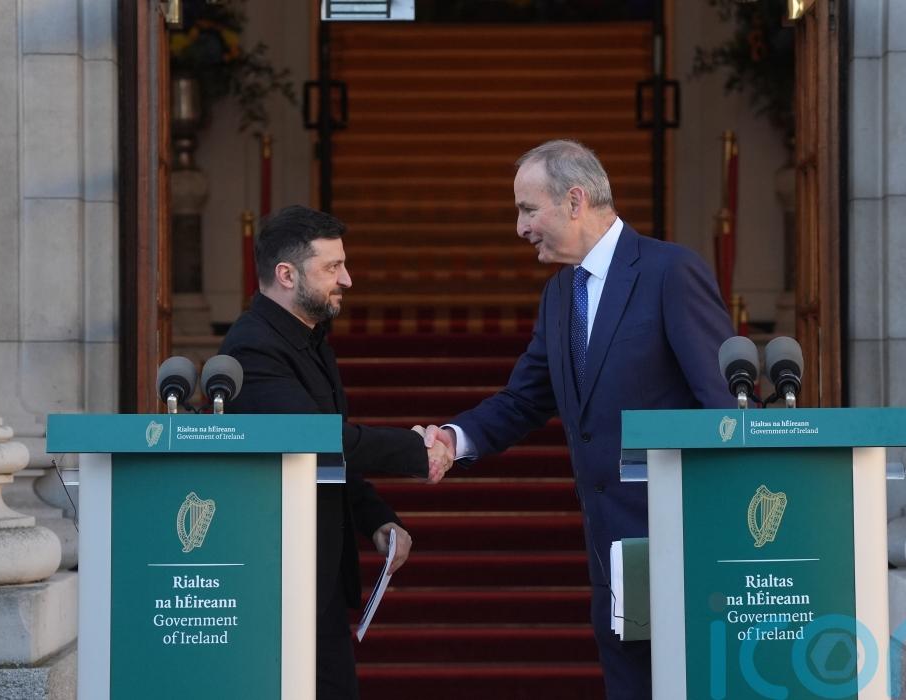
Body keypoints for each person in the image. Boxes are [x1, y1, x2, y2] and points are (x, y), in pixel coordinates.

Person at [424, 140, 735, 699]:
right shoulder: (560, 293)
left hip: (686, 554)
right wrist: (453, 438)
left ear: (574, 201)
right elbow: (524, 400)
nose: (520, 228)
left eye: (527, 209)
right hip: (611, 558)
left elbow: (723, 408)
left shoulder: (670, 271)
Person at [220, 205, 451, 700]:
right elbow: (317, 439)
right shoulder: (252, 349)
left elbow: (327, 455)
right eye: (332, 267)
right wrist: (417, 449)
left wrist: (377, 519)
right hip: (277, 581)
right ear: (287, 275)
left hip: (315, 579)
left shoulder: (310, 338)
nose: (347, 279)